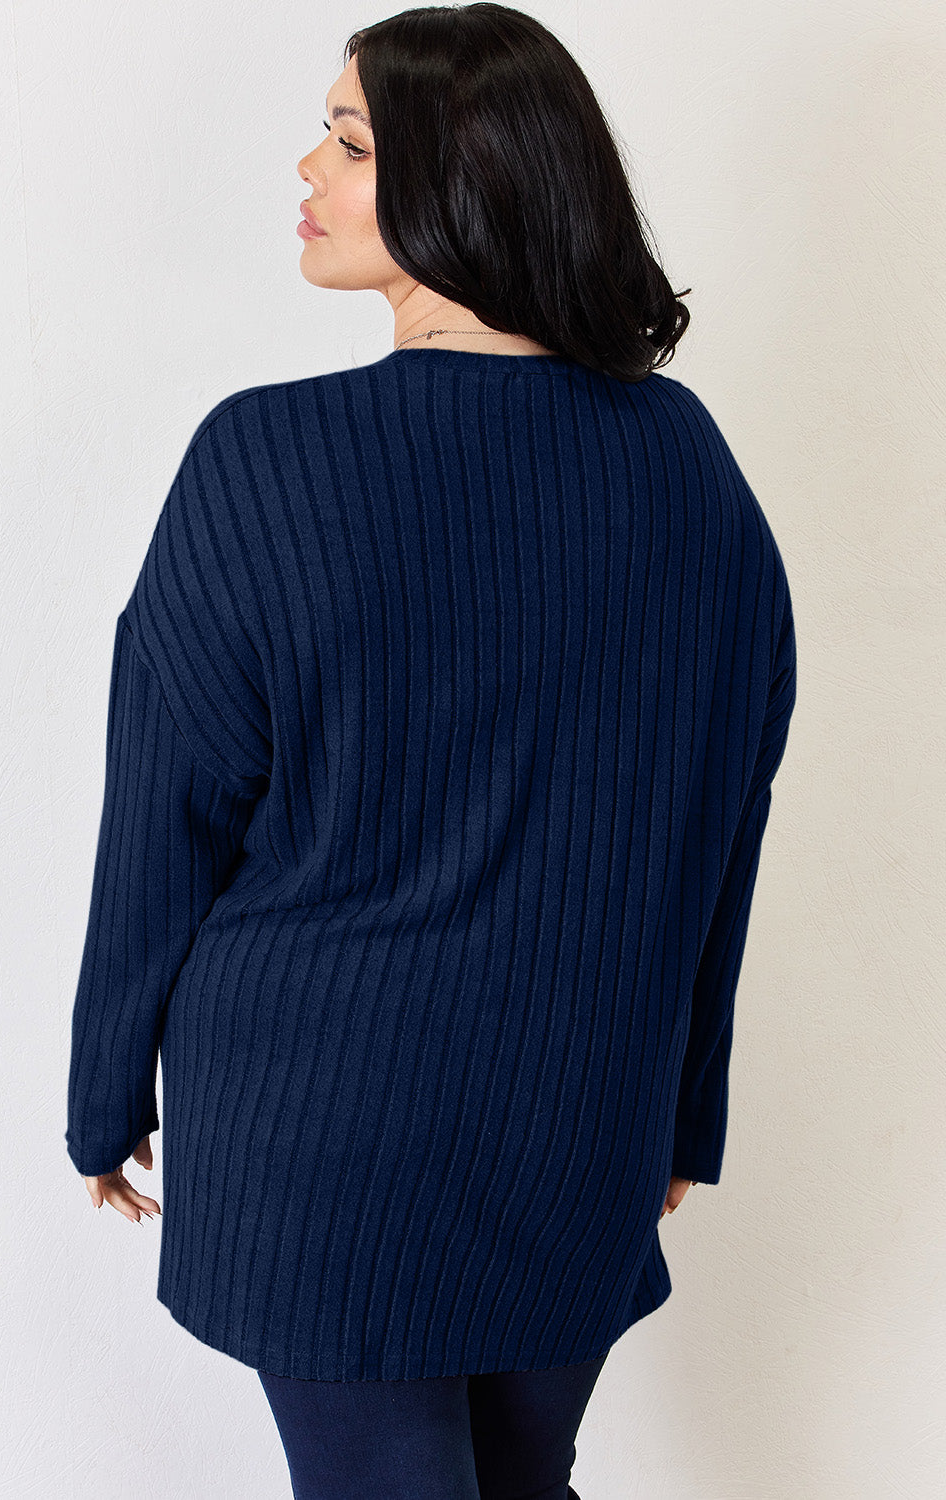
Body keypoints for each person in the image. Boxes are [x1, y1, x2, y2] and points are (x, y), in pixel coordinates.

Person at [65, 5, 797, 1497]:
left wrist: (104, 1090)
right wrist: (683, 1098)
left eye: (348, 142)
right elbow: (725, 812)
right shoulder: (688, 464)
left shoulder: (265, 458)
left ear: (468, 178)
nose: (308, 170)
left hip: (323, 1129)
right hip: (581, 1114)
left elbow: (168, 810)